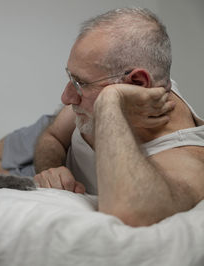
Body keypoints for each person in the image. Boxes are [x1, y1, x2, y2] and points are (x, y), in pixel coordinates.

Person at [32, 7, 204, 226]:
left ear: (138, 84)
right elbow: (53, 135)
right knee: (3, 148)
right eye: (71, 77)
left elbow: (131, 213)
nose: (66, 97)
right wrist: (50, 169)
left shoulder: (188, 158)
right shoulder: (84, 103)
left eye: (80, 83)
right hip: (40, 132)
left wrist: (110, 100)